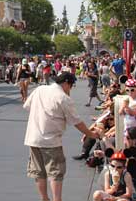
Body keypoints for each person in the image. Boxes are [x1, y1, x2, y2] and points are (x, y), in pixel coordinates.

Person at [24, 72, 98, 201]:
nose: (71, 89)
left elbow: (27, 106)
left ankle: (44, 198)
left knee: (38, 171)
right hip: (51, 140)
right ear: (66, 83)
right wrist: (91, 134)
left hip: (33, 137)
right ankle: (57, 199)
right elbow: (77, 122)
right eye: (71, 86)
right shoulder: (63, 98)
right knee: (56, 172)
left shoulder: (39, 89)